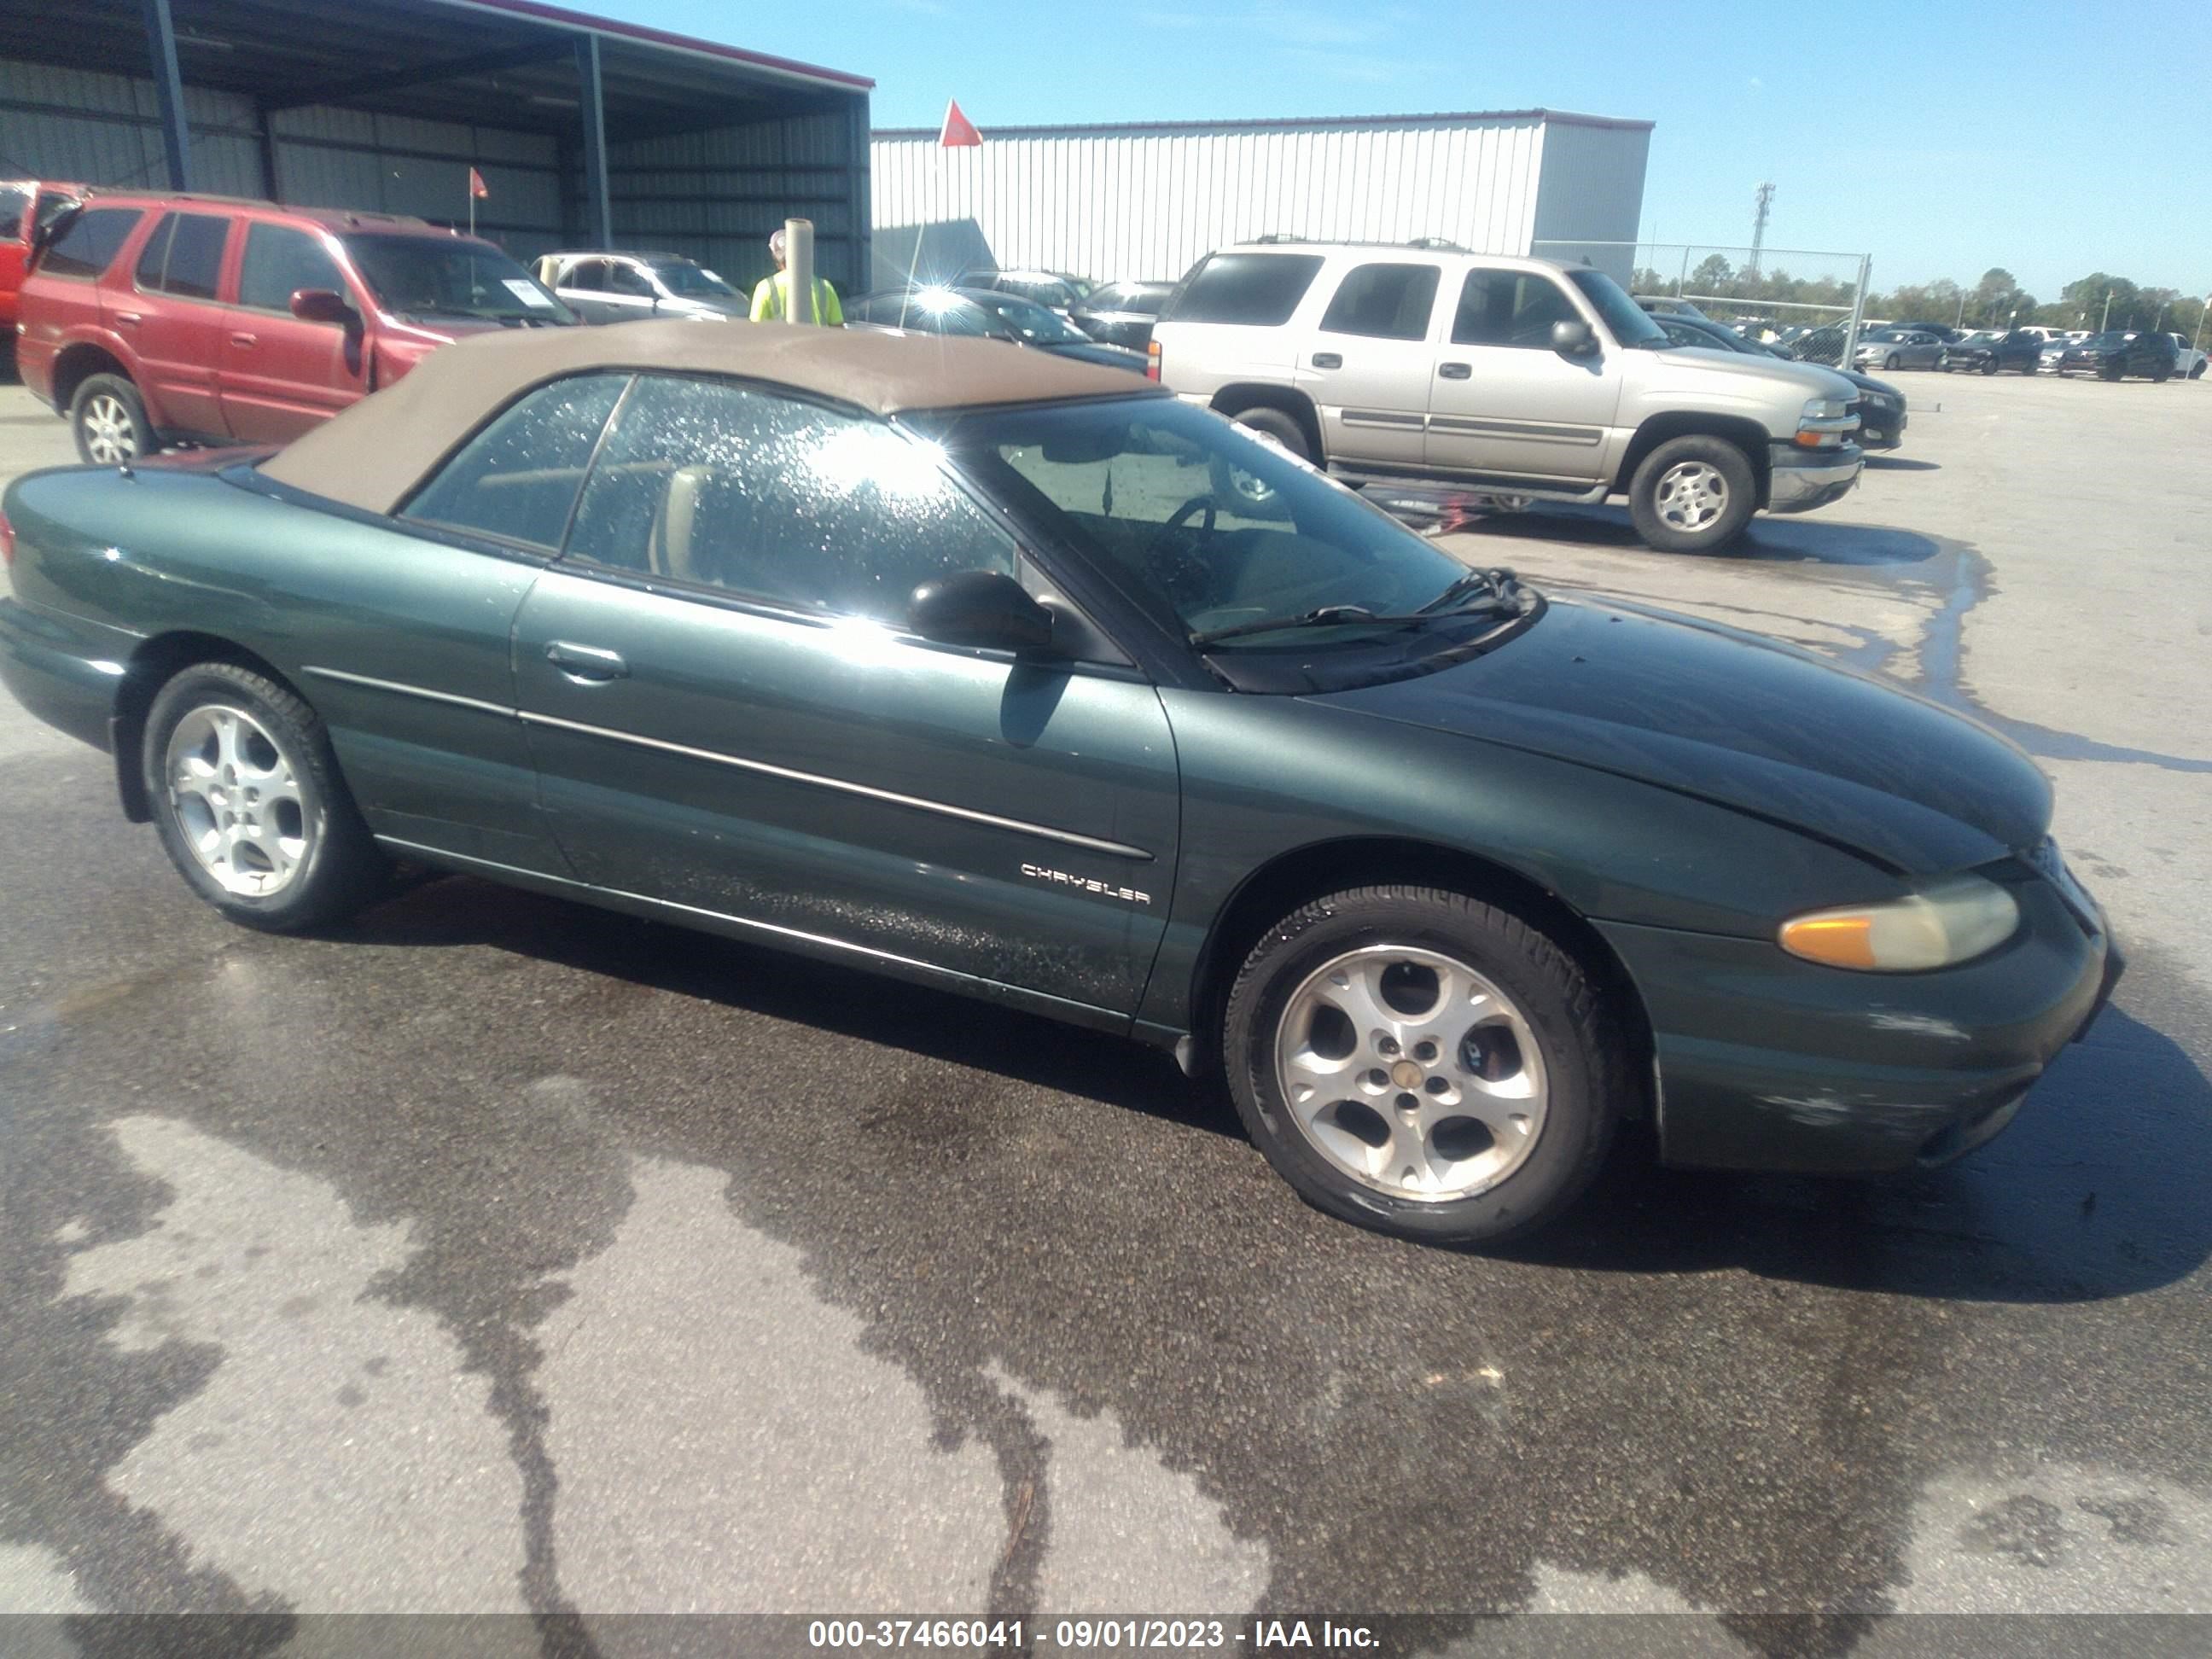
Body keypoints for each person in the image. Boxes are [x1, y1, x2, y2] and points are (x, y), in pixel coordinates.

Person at [749, 228, 843, 325]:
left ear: (775, 257)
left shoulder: (765, 288)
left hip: (783, 341)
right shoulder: (825, 287)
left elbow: (755, 331)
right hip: (818, 340)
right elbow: (839, 332)